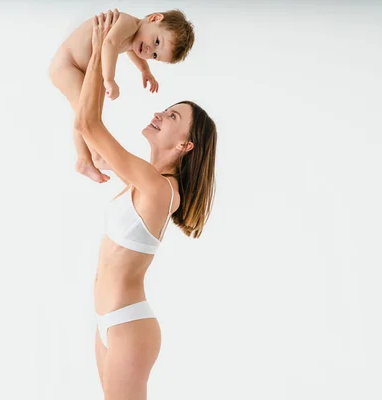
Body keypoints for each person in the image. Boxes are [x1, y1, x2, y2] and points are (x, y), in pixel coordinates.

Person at [74, 10, 218, 399]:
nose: (159, 113)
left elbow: (89, 124)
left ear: (184, 146)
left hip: (127, 326)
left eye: (172, 116)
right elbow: (90, 134)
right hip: (108, 321)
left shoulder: (157, 188)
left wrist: (99, 48)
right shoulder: (144, 180)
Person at [49, 8, 195, 183]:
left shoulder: (133, 34)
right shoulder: (126, 22)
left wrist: (144, 70)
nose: (149, 51)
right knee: (85, 112)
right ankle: (93, 156)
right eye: (156, 41)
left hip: (86, 71)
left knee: (88, 113)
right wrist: (109, 79)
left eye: (155, 55)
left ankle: (84, 160)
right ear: (154, 18)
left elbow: (131, 49)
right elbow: (109, 43)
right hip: (68, 65)